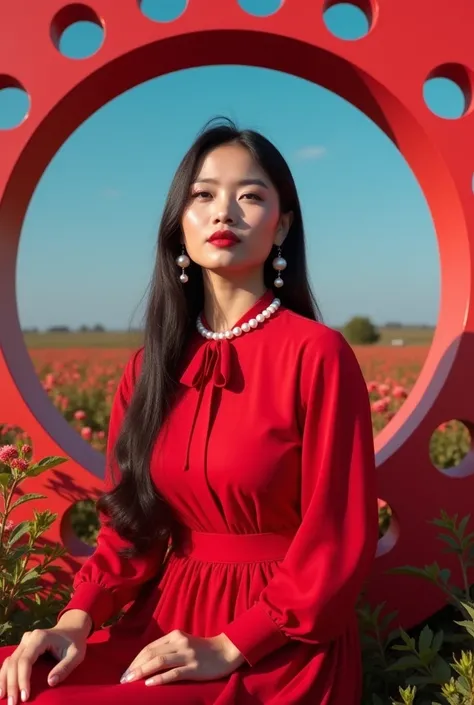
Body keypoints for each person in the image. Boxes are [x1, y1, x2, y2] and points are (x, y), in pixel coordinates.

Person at [0, 118, 379, 705]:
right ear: (180, 224)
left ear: (283, 226)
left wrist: (232, 643)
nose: (224, 211)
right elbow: (134, 526)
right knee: (16, 681)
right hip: (162, 623)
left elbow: (335, 539)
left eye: (250, 196)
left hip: (274, 643)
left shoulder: (318, 355)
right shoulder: (149, 368)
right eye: (203, 195)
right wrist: (75, 619)